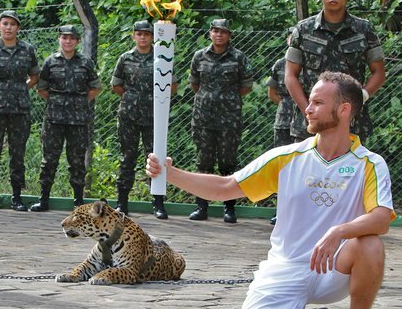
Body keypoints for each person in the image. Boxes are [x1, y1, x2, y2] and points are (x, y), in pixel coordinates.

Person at [146, 71, 394, 309]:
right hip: (286, 266)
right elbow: (225, 187)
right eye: (309, 102)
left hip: (335, 268)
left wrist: (339, 231)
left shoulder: (369, 163)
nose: (307, 109)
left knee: (370, 244)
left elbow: (381, 218)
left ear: (344, 109)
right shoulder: (286, 158)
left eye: (318, 103)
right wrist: (172, 174)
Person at [285, 0, 386, 144]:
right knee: (306, 170)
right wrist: (308, 110)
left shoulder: (364, 30)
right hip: (309, 125)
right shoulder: (303, 30)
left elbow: (379, 73)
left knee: (350, 170)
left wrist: (361, 96)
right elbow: (290, 76)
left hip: (352, 122)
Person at [111, 20, 178, 220]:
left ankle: (157, 203)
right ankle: (122, 203)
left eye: (146, 34)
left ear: (153, 37)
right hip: (129, 116)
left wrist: (153, 100)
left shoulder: (162, 57)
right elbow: (117, 86)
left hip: (153, 117)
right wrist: (134, 99)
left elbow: (172, 86)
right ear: (134, 36)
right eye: (139, 34)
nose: (142, 37)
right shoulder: (126, 58)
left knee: (155, 159)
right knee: (127, 158)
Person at [188, 18, 253, 223]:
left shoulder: (238, 58)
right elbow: (195, 84)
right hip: (203, 118)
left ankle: (229, 208)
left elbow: (245, 86)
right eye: (215, 31)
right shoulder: (199, 56)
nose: (219, 35)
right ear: (210, 33)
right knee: (204, 163)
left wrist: (226, 101)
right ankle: (202, 207)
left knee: (228, 163)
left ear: (229, 35)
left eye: (223, 32)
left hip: (229, 119)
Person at [30, 25, 101, 212]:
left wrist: (78, 102)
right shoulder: (50, 62)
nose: (67, 41)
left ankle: (78, 201)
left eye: (71, 38)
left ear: (77, 41)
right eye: (64, 37)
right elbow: (42, 89)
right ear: (59, 40)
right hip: (54, 119)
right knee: (49, 159)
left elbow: (95, 87)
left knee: (77, 160)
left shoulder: (85, 63)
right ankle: (44, 199)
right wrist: (58, 101)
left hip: (78, 120)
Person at [0, 10, 39, 212]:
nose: (8, 27)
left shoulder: (27, 50)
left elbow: (34, 77)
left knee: (17, 154)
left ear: (18, 28)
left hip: (19, 110)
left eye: (12, 24)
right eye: (5, 24)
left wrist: (21, 89)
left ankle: (17, 196)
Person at [265, 28, 299, 228]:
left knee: (301, 168)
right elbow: (272, 93)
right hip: (284, 121)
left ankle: (298, 212)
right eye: (290, 36)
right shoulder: (280, 65)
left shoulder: (310, 63)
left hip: (305, 121)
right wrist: (287, 104)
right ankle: (281, 212)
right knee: (283, 167)